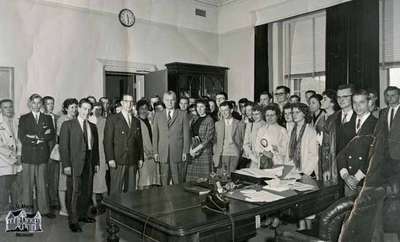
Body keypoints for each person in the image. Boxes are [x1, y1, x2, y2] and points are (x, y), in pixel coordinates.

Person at [59, 98, 99, 232]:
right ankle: (73, 221)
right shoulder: (68, 125)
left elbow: (95, 147)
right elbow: (63, 147)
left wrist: (96, 162)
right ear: (79, 109)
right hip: (74, 163)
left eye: (89, 109)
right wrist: (66, 165)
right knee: (74, 192)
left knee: (87, 190)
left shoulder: (92, 126)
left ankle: (83, 215)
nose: (86, 112)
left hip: (89, 161)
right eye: (84, 109)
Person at [19, 94, 55, 218]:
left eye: (39, 103)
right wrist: (38, 138)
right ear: (30, 104)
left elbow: (51, 134)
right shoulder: (23, 118)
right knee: (27, 185)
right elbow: (22, 136)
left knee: (42, 184)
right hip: (28, 156)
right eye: (34, 103)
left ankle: (44, 210)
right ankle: (28, 210)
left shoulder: (47, 118)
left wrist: (33, 136)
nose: (36, 105)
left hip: (42, 155)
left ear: (42, 104)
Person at [337, 89, 377, 197]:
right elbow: (340, 153)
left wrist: (357, 178)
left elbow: (375, 156)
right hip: (349, 181)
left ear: (369, 103)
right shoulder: (346, 126)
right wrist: (345, 175)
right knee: (348, 212)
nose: (357, 106)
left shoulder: (377, 125)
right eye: (355, 102)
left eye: (361, 102)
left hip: (367, 181)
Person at [104, 94, 144, 194]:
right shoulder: (112, 119)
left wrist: (140, 157)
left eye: (131, 102)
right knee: (116, 189)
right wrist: (110, 158)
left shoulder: (136, 121)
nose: (129, 104)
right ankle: (113, 210)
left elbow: (139, 141)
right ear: (122, 103)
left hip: (132, 159)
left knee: (131, 190)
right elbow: (107, 141)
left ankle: (128, 209)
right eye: (126, 101)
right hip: (118, 160)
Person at [152, 91, 190, 185]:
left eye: (172, 100)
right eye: (167, 100)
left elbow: (186, 134)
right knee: (163, 182)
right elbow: (155, 135)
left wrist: (185, 151)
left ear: (175, 101)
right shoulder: (158, 115)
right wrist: (155, 151)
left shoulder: (182, 114)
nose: (170, 102)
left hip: (177, 152)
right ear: (164, 101)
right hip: (163, 153)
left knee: (178, 182)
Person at [0, 99, 22, 221]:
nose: (8, 109)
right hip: (3, 161)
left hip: (15, 161)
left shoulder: (14, 121)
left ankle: (15, 211)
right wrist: (12, 157)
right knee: (3, 189)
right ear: (0, 109)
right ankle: (2, 212)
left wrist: (19, 155)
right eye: (5, 107)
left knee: (15, 187)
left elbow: (19, 141)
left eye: (10, 107)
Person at [56, 98, 78, 217]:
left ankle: (71, 207)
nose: (74, 109)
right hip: (66, 155)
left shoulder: (76, 119)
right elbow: (61, 140)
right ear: (66, 109)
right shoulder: (62, 120)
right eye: (71, 107)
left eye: (75, 107)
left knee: (73, 182)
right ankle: (63, 208)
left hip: (75, 155)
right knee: (63, 182)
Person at [214, 101, 245, 176]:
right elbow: (215, 141)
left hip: (235, 154)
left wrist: (240, 152)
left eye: (226, 110)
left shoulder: (240, 124)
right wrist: (215, 153)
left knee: (232, 178)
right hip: (222, 155)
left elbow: (243, 140)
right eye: (222, 110)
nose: (224, 113)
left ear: (231, 110)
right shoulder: (218, 124)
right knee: (222, 177)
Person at [186, 99, 215, 181]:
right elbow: (190, 135)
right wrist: (191, 149)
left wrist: (194, 150)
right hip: (193, 153)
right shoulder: (194, 119)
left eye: (202, 106)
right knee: (192, 181)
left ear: (206, 108)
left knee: (204, 180)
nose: (199, 109)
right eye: (198, 107)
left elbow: (207, 139)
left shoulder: (209, 120)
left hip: (204, 153)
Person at [288, 103, 319, 177]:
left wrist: (304, 173)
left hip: (307, 172)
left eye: (297, 112)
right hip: (293, 171)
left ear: (304, 114)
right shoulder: (291, 130)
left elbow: (313, 156)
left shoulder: (311, 131)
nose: (294, 115)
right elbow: (289, 153)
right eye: (293, 112)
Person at [136, 99, 160, 189]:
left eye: (146, 108)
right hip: (143, 156)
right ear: (138, 110)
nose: (144, 110)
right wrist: (146, 152)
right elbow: (138, 141)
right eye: (141, 108)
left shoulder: (150, 121)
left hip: (152, 156)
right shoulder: (136, 122)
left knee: (150, 182)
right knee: (142, 181)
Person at [43, 96, 60, 212]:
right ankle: (46, 201)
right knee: (45, 178)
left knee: (55, 176)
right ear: (44, 105)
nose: (51, 106)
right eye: (48, 104)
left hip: (56, 151)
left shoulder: (57, 117)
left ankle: (54, 200)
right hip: (45, 151)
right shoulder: (41, 118)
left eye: (52, 103)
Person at [90, 102, 108, 214]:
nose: (98, 111)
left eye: (100, 109)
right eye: (96, 109)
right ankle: (94, 203)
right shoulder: (89, 121)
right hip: (91, 155)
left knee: (102, 180)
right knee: (91, 180)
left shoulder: (105, 121)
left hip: (102, 155)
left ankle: (106, 203)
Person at [319, 90, 340, 183]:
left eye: (324, 99)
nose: (321, 101)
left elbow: (331, 146)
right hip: (322, 157)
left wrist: (327, 167)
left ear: (332, 103)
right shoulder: (322, 118)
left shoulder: (335, 119)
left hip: (331, 161)